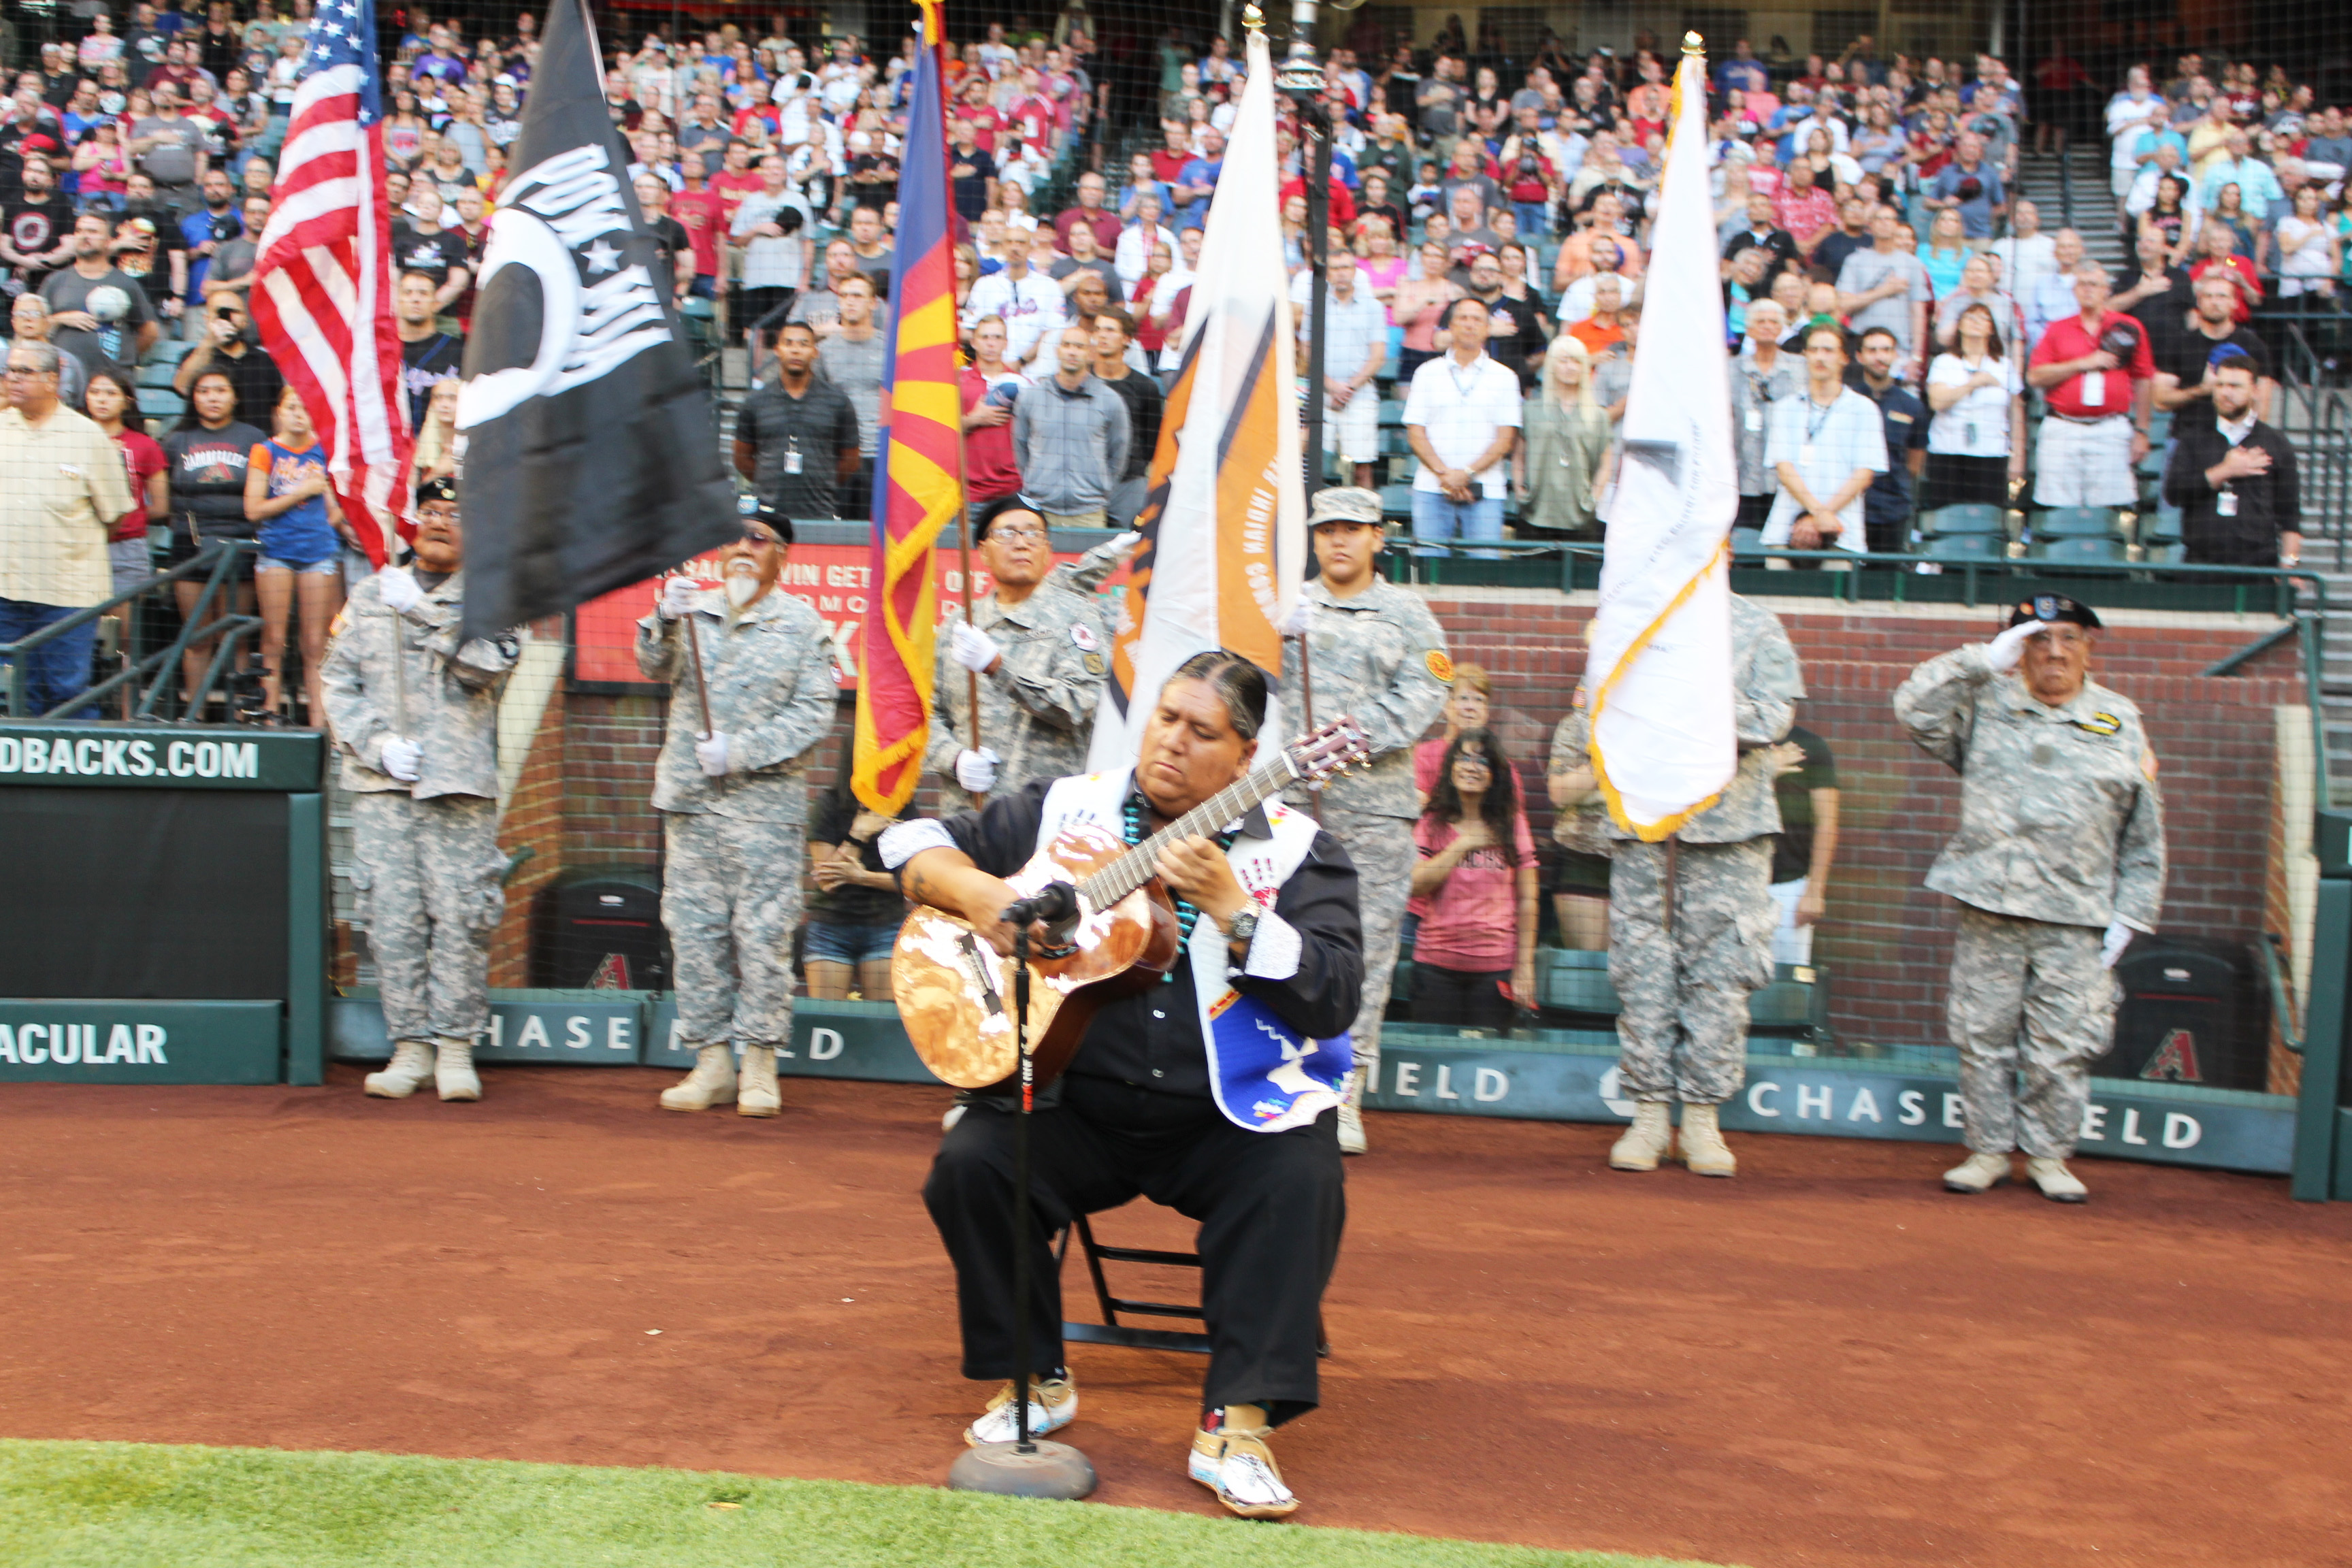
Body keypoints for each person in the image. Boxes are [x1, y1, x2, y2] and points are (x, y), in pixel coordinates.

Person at [887, 649, 1362, 1520]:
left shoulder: (1299, 852)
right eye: (1166, 719)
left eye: (1202, 731)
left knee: (1302, 1176)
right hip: (1079, 1104)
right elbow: (906, 842)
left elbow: (1334, 996)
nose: (1173, 743)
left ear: (1247, 758)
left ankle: (1237, 1425)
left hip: (1228, 1117)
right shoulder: (1069, 808)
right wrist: (981, 894)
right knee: (973, 1163)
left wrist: (1238, 911)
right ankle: (1034, 1380)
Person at [1894, 597, 2165, 1203]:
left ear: (2090, 647)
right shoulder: (1986, 706)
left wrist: (2132, 912)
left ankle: (2048, 1156)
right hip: (1991, 905)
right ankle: (1987, 1151)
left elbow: (2145, 831)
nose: (2055, 652)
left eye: (2068, 638)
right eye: (2038, 640)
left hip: (2077, 916)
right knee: (1981, 1035)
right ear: (2020, 650)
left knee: (2062, 1043)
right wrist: (1978, 661)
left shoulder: (2120, 721)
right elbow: (1911, 708)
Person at [1578, 593, 1804, 1177]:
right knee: (1643, 975)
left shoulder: (1757, 623)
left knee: (1722, 979)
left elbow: (1773, 718)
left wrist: (1684, 701)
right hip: (1646, 824)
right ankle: (1649, 1116)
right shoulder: (1630, 618)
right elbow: (1602, 710)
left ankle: (1703, 1119)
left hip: (1732, 832)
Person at [634, 509, 838, 1117]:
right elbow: (652, 666)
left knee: (763, 938)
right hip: (692, 806)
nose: (743, 549)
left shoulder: (804, 627)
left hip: (763, 811)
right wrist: (662, 620)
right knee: (694, 935)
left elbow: (813, 716)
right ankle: (711, 1062)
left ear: (783, 556)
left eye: (760, 541)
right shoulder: (691, 611)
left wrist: (742, 753)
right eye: (734, 539)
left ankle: (759, 1063)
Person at [324, 479, 521, 1102]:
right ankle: (410, 1046)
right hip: (384, 787)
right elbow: (337, 682)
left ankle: (456, 1047)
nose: (439, 521)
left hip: (457, 786)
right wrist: (376, 744)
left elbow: (487, 665)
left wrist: (422, 611)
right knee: (392, 919)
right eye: (429, 512)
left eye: (455, 514)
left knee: (460, 916)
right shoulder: (370, 592)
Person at [1291, 485, 1454, 1153]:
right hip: (1291, 808)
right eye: (1327, 528)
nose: (1338, 540)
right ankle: (1285, 1084)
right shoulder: (1284, 604)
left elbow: (1427, 690)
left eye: (1353, 529)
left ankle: (1345, 1095)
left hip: (1375, 810)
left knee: (1370, 951)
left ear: (1378, 537)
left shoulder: (1406, 613)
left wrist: (1355, 736)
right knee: (1283, 944)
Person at [926, 492, 1111, 808]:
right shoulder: (960, 625)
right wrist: (953, 759)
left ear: (1047, 551)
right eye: (1006, 533)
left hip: (1047, 816)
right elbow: (926, 714)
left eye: (1033, 534)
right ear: (983, 551)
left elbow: (1080, 705)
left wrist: (1000, 668)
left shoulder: (1076, 617)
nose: (1022, 543)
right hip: (969, 815)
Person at [0, 342, 135, 717]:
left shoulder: (87, 435)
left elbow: (116, 514)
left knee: (67, 692)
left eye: (24, 371)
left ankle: (73, 778)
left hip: (66, 594)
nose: (13, 378)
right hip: (5, 590)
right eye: (10, 370)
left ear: (52, 380)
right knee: (14, 696)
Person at [1409, 728, 1538, 1028]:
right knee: (1434, 1061)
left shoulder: (1512, 823)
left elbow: (1529, 900)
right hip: (1435, 966)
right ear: (1451, 767)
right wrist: (1464, 843)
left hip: (1496, 969)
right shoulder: (1432, 821)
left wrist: (1525, 967)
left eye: (1482, 761)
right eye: (1463, 758)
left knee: (1486, 1058)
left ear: (1495, 774)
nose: (1471, 766)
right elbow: (1416, 884)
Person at [242, 387, 346, 723]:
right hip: (276, 552)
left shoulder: (325, 451)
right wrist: (300, 493)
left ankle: (320, 724)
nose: (299, 413)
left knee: (316, 642)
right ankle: (268, 717)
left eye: (305, 406)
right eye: (291, 406)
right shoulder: (265, 451)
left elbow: (336, 511)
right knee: (274, 638)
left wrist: (321, 521)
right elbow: (253, 509)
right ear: (278, 412)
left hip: (318, 554)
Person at [2025, 262, 2154, 510]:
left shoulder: (2128, 327)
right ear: (2074, 290)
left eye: (2094, 284)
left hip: (2111, 428)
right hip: (2063, 428)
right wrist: (2083, 364)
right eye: (2082, 284)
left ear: (2107, 290)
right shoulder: (2057, 328)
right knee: (2058, 508)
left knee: (2110, 509)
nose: (2088, 290)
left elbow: (2143, 379)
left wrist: (2143, 430)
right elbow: (2035, 376)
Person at [1403, 295, 1522, 555]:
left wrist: (1466, 473)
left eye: (1477, 319)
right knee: (1427, 572)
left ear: (1487, 328)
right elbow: (1415, 433)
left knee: (1484, 578)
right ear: (1451, 327)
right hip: (1431, 488)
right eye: (1463, 318)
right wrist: (1445, 475)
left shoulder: (1505, 377)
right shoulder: (1426, 373)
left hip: (1486, 492)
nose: (1470, 325)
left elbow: (1505, 439)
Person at [2162, 348, 2301, 568]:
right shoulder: (2192, 437)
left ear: (2255, 390)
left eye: (2235, 386)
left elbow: (2291, 516)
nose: (2226, 393)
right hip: (2200, 565)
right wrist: (2226, 471)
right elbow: (2173, 493)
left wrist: (2290, 564)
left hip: (2258, 568)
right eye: (2220, 385)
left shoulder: (2276, 443)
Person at [1762, 324, 1887, 559]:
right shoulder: (1784, 408)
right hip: (1785, 532)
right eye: (1814, 350)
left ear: (1844, 358)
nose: (1820, 357)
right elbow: (1784, 468)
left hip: (1842, 532)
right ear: (1805, 355)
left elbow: (1865, 473)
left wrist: (1820, 517)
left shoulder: (1864, 409)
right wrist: (1818, 514)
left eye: (1828, 350)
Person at [804, 743, 910, 1003]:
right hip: (831, 926)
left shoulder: (903, 807)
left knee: (880, 1023)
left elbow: (912, 881)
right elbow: (827, 881)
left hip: (885, 925)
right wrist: (859, 833)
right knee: (827, 1020)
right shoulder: (828, 806)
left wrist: (861, 877)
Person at [733, 320, 861, 519]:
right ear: (777, 350)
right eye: (789, 343)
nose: (796, 350)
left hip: (820, 511)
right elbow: (741, 459)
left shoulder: (838, 401)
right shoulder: (756, 401)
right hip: (768, 514)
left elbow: (851, 461)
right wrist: (768, 480)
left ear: (815, 351)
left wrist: (822, 480)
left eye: (803, 344)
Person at [1009, 323, 1128, 529]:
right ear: (1057, 351)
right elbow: (1020, 449)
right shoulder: (1031, 398)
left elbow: (1118, 453)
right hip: (1039, 509)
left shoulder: (1110, 401)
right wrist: (1036, 482)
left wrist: (1098, 488)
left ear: (1091, 354)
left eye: (1080, 347)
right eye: (1067, 345)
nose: (1072, 352)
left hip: (1089, 513)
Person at [1295, 250, 1387, 491]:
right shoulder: (1315, 306)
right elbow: (1307, 352)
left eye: (1346, 267)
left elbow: (1378, 356)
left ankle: (1366, 521)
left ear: (1355, 271)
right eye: (1335, 268)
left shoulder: (1373, 307)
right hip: (1321, 395)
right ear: (1328, 274)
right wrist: (1332, 386)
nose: (1342, 273)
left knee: (1362, 466)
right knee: (1312, 463)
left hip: (1361, 396)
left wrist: (1349, 388)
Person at [83, 368, 166, 630]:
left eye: (111, 393)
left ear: (127, 400)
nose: (102, 399)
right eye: (95, 392)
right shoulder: (70, 441)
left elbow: (161, 507)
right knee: (79, 629)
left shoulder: (145, 445)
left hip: (128, 547)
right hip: (78, 544)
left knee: (125, 633)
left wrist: (128, 518)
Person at [1923, 304, 2026, 511]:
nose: (1976, 322)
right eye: (1970, 317)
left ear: (1992, 329)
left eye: (1983, 318)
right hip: (1948, 453)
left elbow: (2016, 413)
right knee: (1946, 515)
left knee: (1988, 515)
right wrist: (1974, 382)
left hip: (1991, 455)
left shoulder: (2004, 366)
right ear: (1959, 326)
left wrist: (2018, 458)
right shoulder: (1944, 362)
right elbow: (1937, 402)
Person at [41, 210, 160, 374]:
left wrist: (124, 357)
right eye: (79, 231)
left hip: (112, 381)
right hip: (65, 377)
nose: (84, 236)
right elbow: (34, 325)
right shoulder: (55, 281)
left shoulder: (126, 283)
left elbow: (150, 332)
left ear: (109, 241)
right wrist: (60, 318)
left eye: (93, 232)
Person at [1516, 334, 1610, 540]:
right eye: (1564, 360)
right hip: (1536, 512)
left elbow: (1606, 462)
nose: (1570, 367)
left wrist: (1593, 497)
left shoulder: (1598, 415)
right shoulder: (1531, 410)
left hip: (1580, 514)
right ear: (1551, 365)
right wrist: (1520, 489)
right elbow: (1519, 456)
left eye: (1576, 361)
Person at [1848, 326, 1929, 553]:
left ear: (1895, 355)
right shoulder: (1845, 401)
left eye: (1886, 350)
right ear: (1860, 356)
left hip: (1893, 510)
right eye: (1872, 350)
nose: (1879, 356)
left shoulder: (1912, 406)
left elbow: (1914, 464)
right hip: (1850, 507)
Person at [1766, 725, 1838, 965]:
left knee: (1786, 985)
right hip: (1730, 886)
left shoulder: (1809, 745)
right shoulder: (1723, 738)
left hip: (1788, 887)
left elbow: (1827, 822)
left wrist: (1815, 890)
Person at [1833, 203, 1929, 370]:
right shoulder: (1855, 261)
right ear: (1871, 225)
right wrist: (1885, 291)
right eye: (1880, 219)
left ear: (1897, 226)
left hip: (1900, 351)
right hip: (1862, 350)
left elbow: (1918, 313)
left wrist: (1917, 356)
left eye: (1889, 219)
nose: (1885, 223)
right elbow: (1843, 304)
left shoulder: (1913, 264)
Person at [1731, 299, 1797, 532]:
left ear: (1782, 328)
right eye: (1760, 321)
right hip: (1741, 474)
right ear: (1749, 329)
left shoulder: (1800, 368)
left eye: (1773, 322)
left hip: (1787, 478)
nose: (1767, 326)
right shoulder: (1730, 369)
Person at [170, 291, 280, 425]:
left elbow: (277, 410)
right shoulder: (195, 355)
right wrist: (210, 341)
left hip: (258, 442)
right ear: (207, 319)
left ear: (246, 320)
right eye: (220, 312)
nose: (228, 318)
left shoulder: (265, 360)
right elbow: (182, 387)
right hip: (211, 442)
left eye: (234, 312)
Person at [959, 315, 1026, 506]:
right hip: (969, 491)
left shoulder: (1022, 385)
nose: (991, 344)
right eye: (985, 337)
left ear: (1006, 343)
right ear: (973, 342)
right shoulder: (958, 383)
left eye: (997, 338)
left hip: (1013, 489)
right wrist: (974, 419)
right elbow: (940, 434)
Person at [393, 269, 463, 431]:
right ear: (397, 300)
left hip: (441, 444)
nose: (415, 299)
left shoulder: (459, 350)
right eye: (408, 293)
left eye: (423, 293)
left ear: (436, 302)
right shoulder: (383, 350)